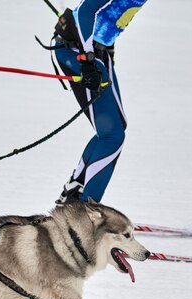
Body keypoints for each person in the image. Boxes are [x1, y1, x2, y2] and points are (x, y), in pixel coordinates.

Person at [52, 0, 148, 204]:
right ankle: (86, 213)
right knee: (112, 137)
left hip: (97, 51)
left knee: (115, 129)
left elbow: (111, 19)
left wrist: (107, 48)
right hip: (77, 52)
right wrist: (87, 59)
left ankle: (75, 192)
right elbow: (86, 12)